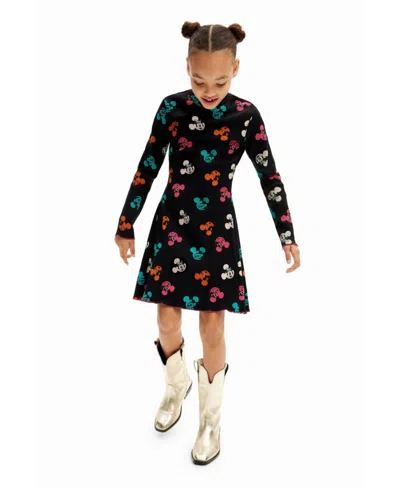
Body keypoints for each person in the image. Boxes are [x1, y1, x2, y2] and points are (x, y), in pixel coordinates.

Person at [114, 21, 301, 465]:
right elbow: (148, 166)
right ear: (187, 67)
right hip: (171, 228)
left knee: (212, 328)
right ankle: (176, 383)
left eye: (219, 81)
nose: (209, 90)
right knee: (166, 322)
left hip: (216, 231)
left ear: (236, 69)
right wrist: (126, 223)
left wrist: (287, 234)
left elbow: (269, 176)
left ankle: (210, 420)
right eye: (199, 81)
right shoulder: (171, 109)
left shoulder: (246, 116)